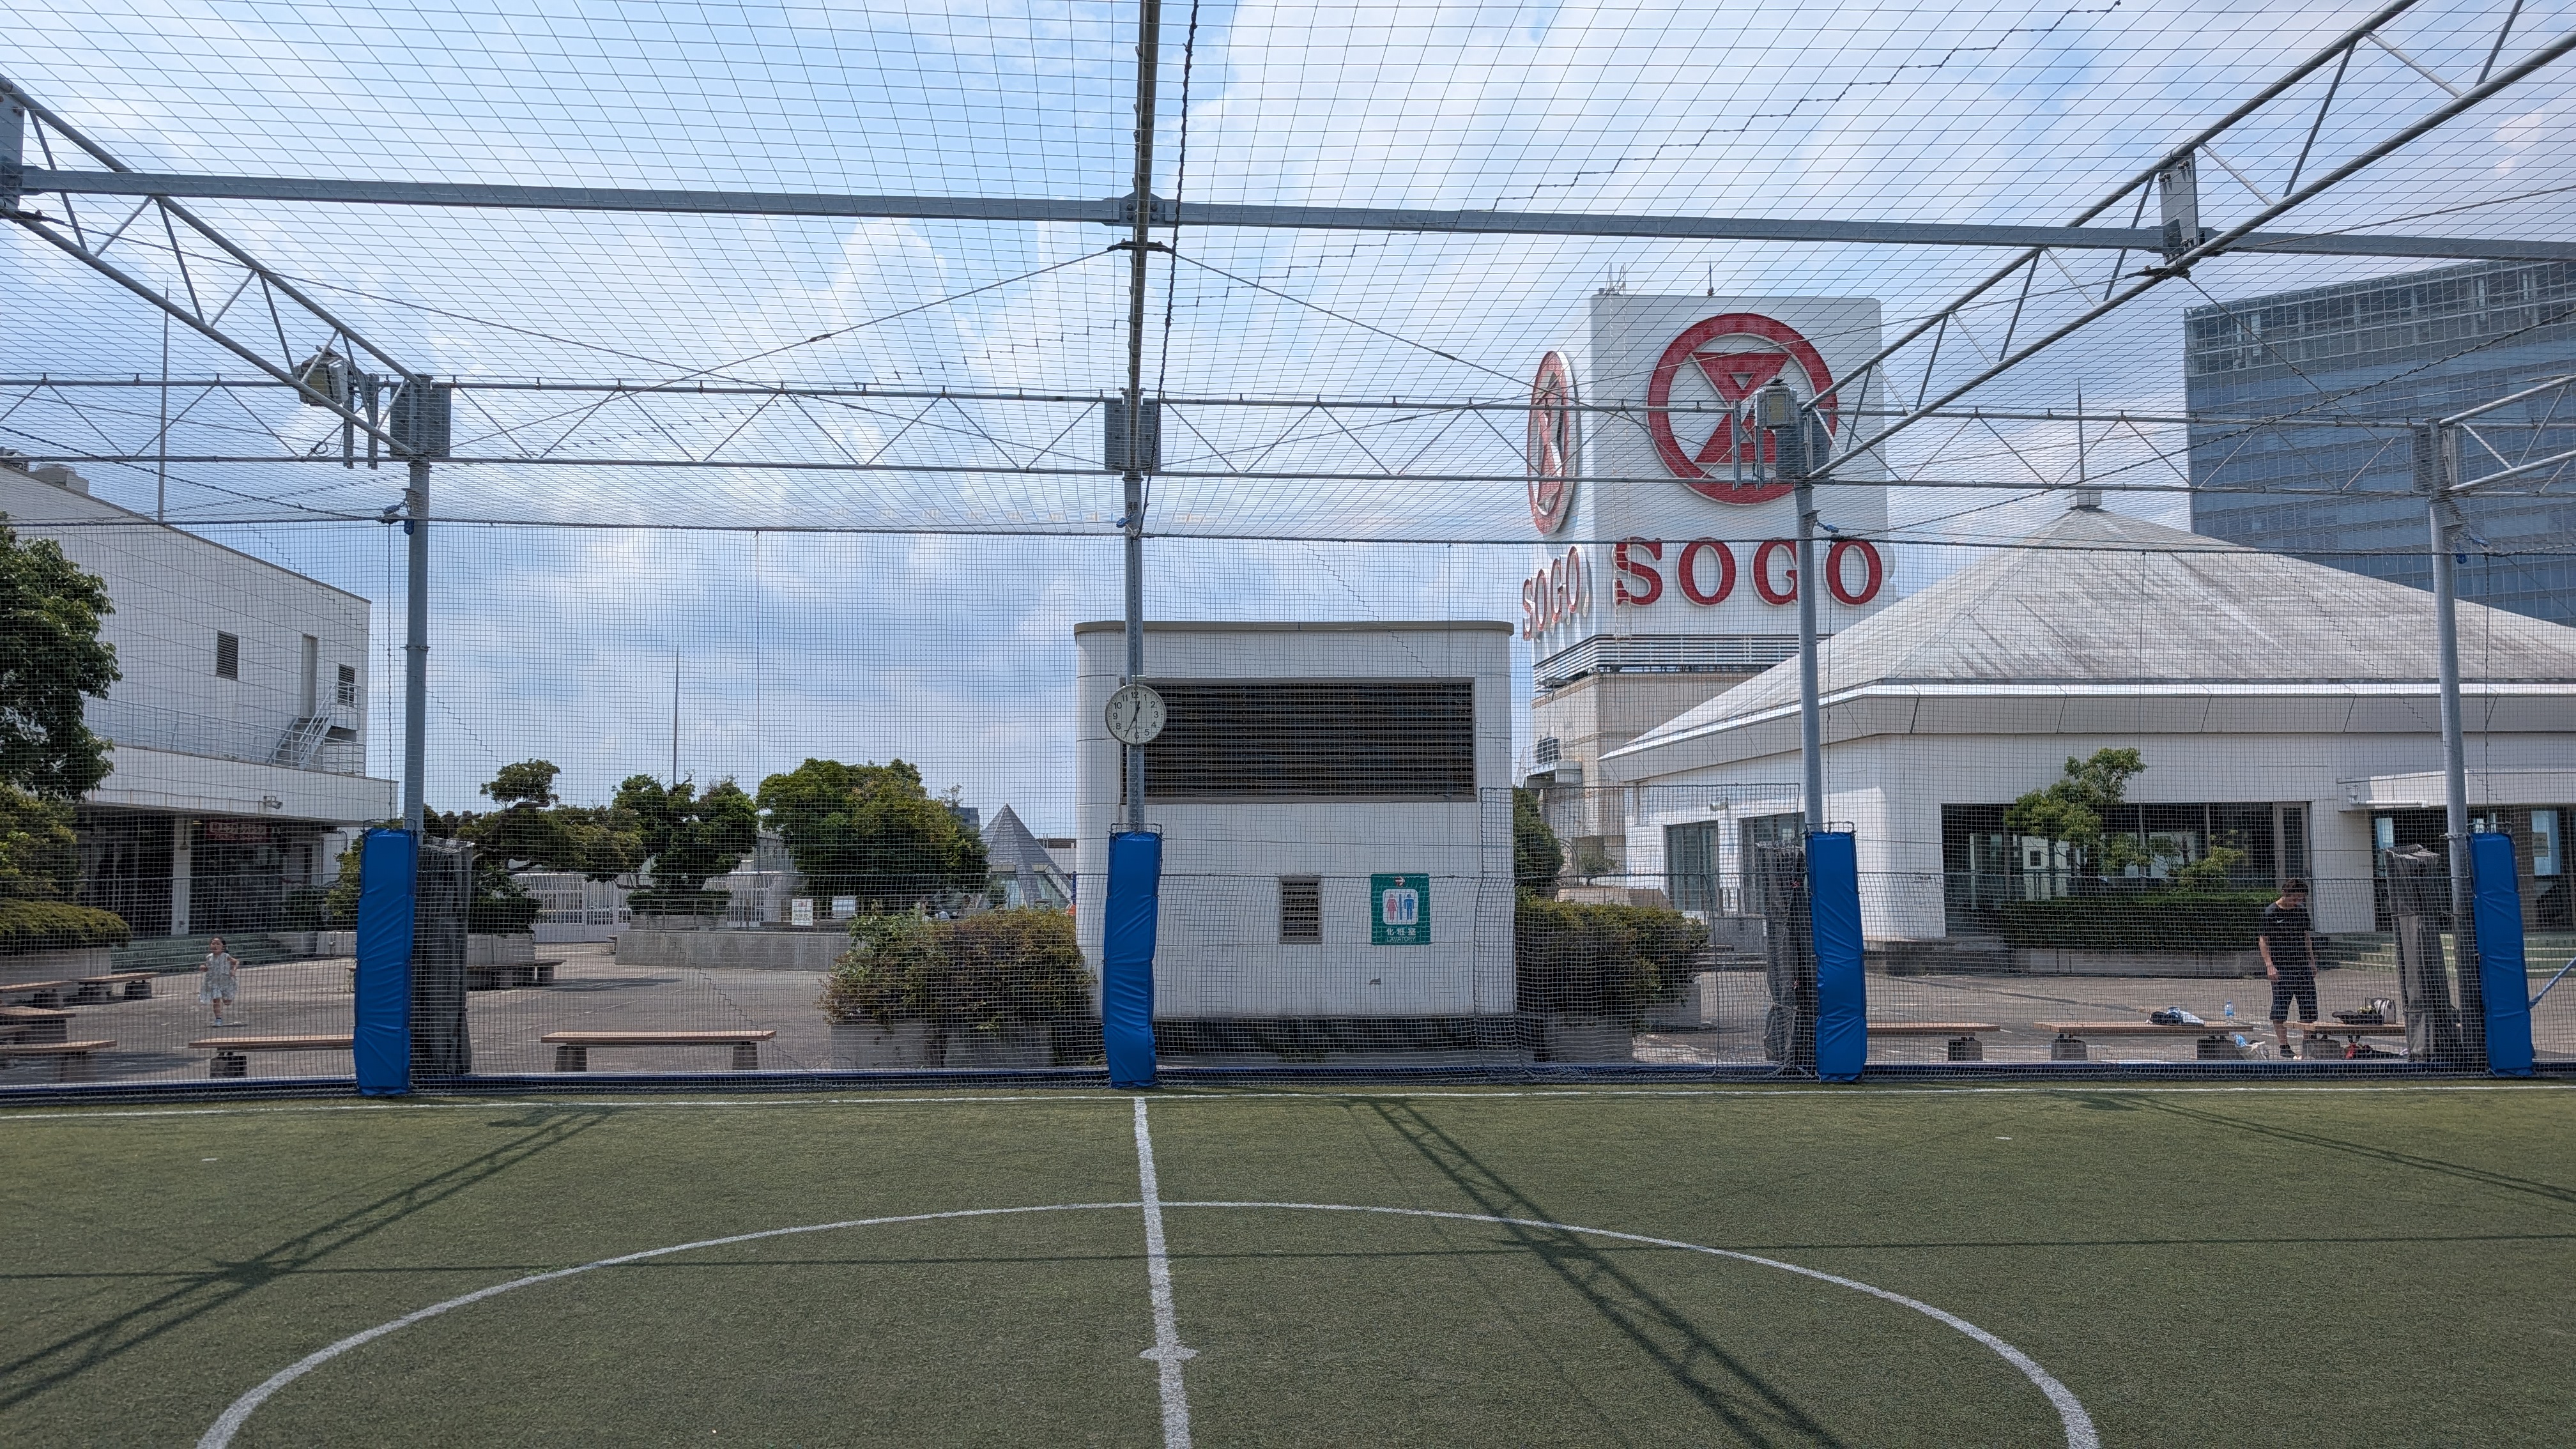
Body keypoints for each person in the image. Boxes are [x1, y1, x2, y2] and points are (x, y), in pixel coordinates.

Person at [2260, 880, 2318, 1057]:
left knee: (2309, 1006)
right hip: (2282, 967)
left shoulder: (2300, 911)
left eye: (2301, 899)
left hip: (2301, 965)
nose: (2297, 902)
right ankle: (2284, 1046)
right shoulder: (2270, 912)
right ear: (2286, 894)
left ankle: (2307, 1044)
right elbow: (2263, 940)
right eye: (2295, 898)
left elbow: (2305, 935)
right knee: (2280, 1007)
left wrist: (2312, 960)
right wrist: (2270, 965)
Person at [200, 936, 243, 1027]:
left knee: (227, 1002)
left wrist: (233, 970)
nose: (215, 945)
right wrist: (204, 968)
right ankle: (218, 1019)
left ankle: (226, 999)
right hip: (213, 982)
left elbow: (237, 962)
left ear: (223, 946)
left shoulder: (226, 957)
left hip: (226, 982)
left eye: (218, 944)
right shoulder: (209, 957)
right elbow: (209, 968)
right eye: (213, 943)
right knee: (216, 1000)